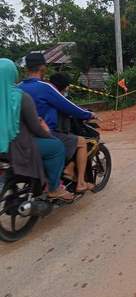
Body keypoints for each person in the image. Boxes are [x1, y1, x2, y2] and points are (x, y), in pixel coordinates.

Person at [0, 58, 73, 201]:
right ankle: (54, 188)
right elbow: (35, 128)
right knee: (56, 147)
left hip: (2, 150)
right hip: (18, 146)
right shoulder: (20, 97)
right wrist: (49, 135)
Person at [20, 53, 95, 193]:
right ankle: (80, 183)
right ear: (42, 67)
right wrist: (89, 114)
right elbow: (68, 106)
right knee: (81, 142)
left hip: (24, 135)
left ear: (26, 68)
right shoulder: (45, 87)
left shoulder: (18, 88)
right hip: (46, 133)